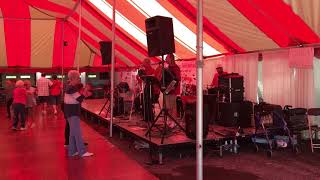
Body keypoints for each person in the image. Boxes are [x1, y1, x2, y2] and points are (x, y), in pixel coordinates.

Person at [64, 70, 93, 157]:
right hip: (73, 112)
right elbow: (80, 99)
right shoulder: (71, 88)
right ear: (73, 78)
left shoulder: (70, 87)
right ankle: (82, 151)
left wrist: (84, 94)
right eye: (78, 78)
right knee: (77, 132)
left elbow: (79, 98)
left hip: (70, 112)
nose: (79, 79)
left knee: (73, 133)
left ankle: (72, 151)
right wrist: (86, 91)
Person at [165, 53, 181, 120]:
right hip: (168, 89)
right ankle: (169, 121)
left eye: (167, 57)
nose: (165, 59)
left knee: (172, 106)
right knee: (168, 106)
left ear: (171, 58)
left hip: (173, 90)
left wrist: (169, 89)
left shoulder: (176, 68)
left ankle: (173, 122)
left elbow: (177, 80)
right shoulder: (168, 68)